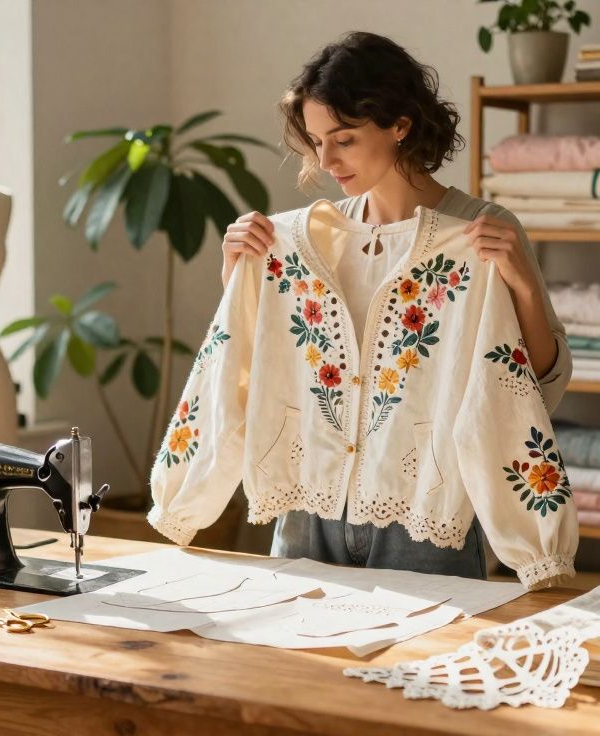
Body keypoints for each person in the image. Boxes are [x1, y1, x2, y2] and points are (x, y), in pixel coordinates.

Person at [220, 31, 572, 579]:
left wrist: (523, 284)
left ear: (400, 125)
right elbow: (252, 361)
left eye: (344, 139)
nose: (326, 160)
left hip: (425, 510)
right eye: (316, 142)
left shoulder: (481, 230)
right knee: (293, 658)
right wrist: (237, 276)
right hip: (308, 503)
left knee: (423, 663)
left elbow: (538, 384)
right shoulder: (307, 240)